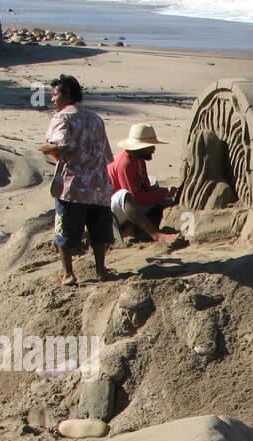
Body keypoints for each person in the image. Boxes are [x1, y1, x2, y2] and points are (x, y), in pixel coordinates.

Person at [39, 75, 114, 286]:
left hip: (73, 185)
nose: (52, 99)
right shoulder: (96, 118)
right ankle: (101, 269)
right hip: (99, 184)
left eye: (55, 95)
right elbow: (107, 154)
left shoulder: (63, 117)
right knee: (98, 231)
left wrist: (46, 147)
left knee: (65, 231)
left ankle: (68, 273)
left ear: (67, 95)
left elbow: (64, 145)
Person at [106, 124, 178, 243]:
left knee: (156, 189)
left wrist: (161, 193)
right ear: (140, 147)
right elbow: (136, 198)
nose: (154, 149)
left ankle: (130, 227)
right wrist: (163, 193)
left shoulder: (139, 161)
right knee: (126, 195)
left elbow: (145, 189)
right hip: (108, 212)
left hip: (123, 208)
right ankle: (156, 235)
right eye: (150, 146)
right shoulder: (125, 164)